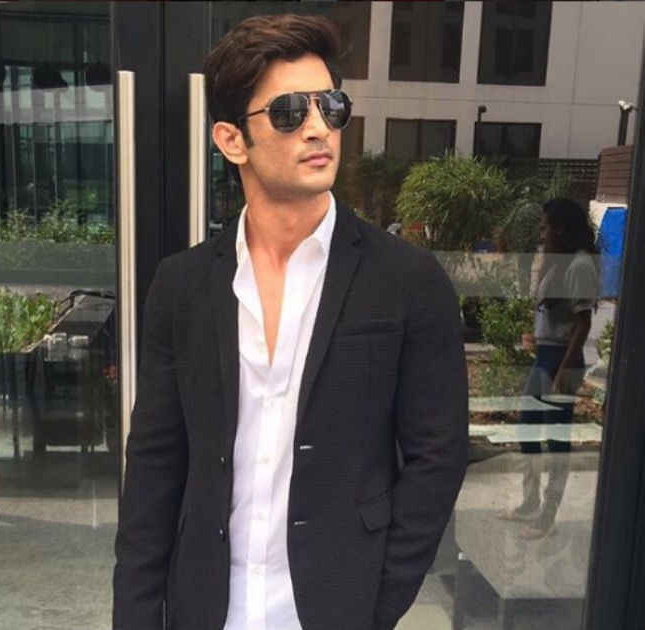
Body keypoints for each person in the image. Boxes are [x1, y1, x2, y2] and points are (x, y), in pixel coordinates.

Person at [113, 14, 468, 630]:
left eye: (331, 106)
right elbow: (154, 465)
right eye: (288, 112)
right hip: (206, 607)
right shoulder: (183, 285)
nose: (318, 127)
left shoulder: (407, 280)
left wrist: (377, 602)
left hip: (334, 606)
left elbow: (438, 456)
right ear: (232, 141)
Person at [500, 197, 598, 539]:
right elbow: (552, 313)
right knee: (527, 429)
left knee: (556, 442)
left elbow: (582, 325)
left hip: (562, 361)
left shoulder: (580, 265)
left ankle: (547, 516)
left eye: (545, 228)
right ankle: (530, 503)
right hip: (546, 355)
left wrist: (563, 373)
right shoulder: (558, 262)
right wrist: (536, 335)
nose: (541, 235)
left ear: (562, 229)